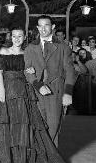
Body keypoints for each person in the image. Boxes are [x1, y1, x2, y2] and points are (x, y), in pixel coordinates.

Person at [0, 28, 69, 163]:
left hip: (23, 89)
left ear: (24, 37)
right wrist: (2, 90)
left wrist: (31, 70)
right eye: (14, 36)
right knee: (7, 121)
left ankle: (20, 156)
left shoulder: (28, 52)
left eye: (19, 36)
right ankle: (7, 156)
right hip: (7, 88)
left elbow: (34, 69)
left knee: (22, 121)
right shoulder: (4, 51)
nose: (16, 39)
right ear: (11, 37)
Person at [24, 16, 75, 147]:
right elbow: (27, 70)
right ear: (37, 28)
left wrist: (68, 92)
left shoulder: (63, 47)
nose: (43, 29)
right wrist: (37, 84)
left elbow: (70, 71)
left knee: (53, 125)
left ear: (52, 27)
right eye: (40, 26)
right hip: (36, 91)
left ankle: (51, 156)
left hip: (55, 90)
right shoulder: (30, 47)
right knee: (38, 124)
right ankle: (42, 156)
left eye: (46, 25)